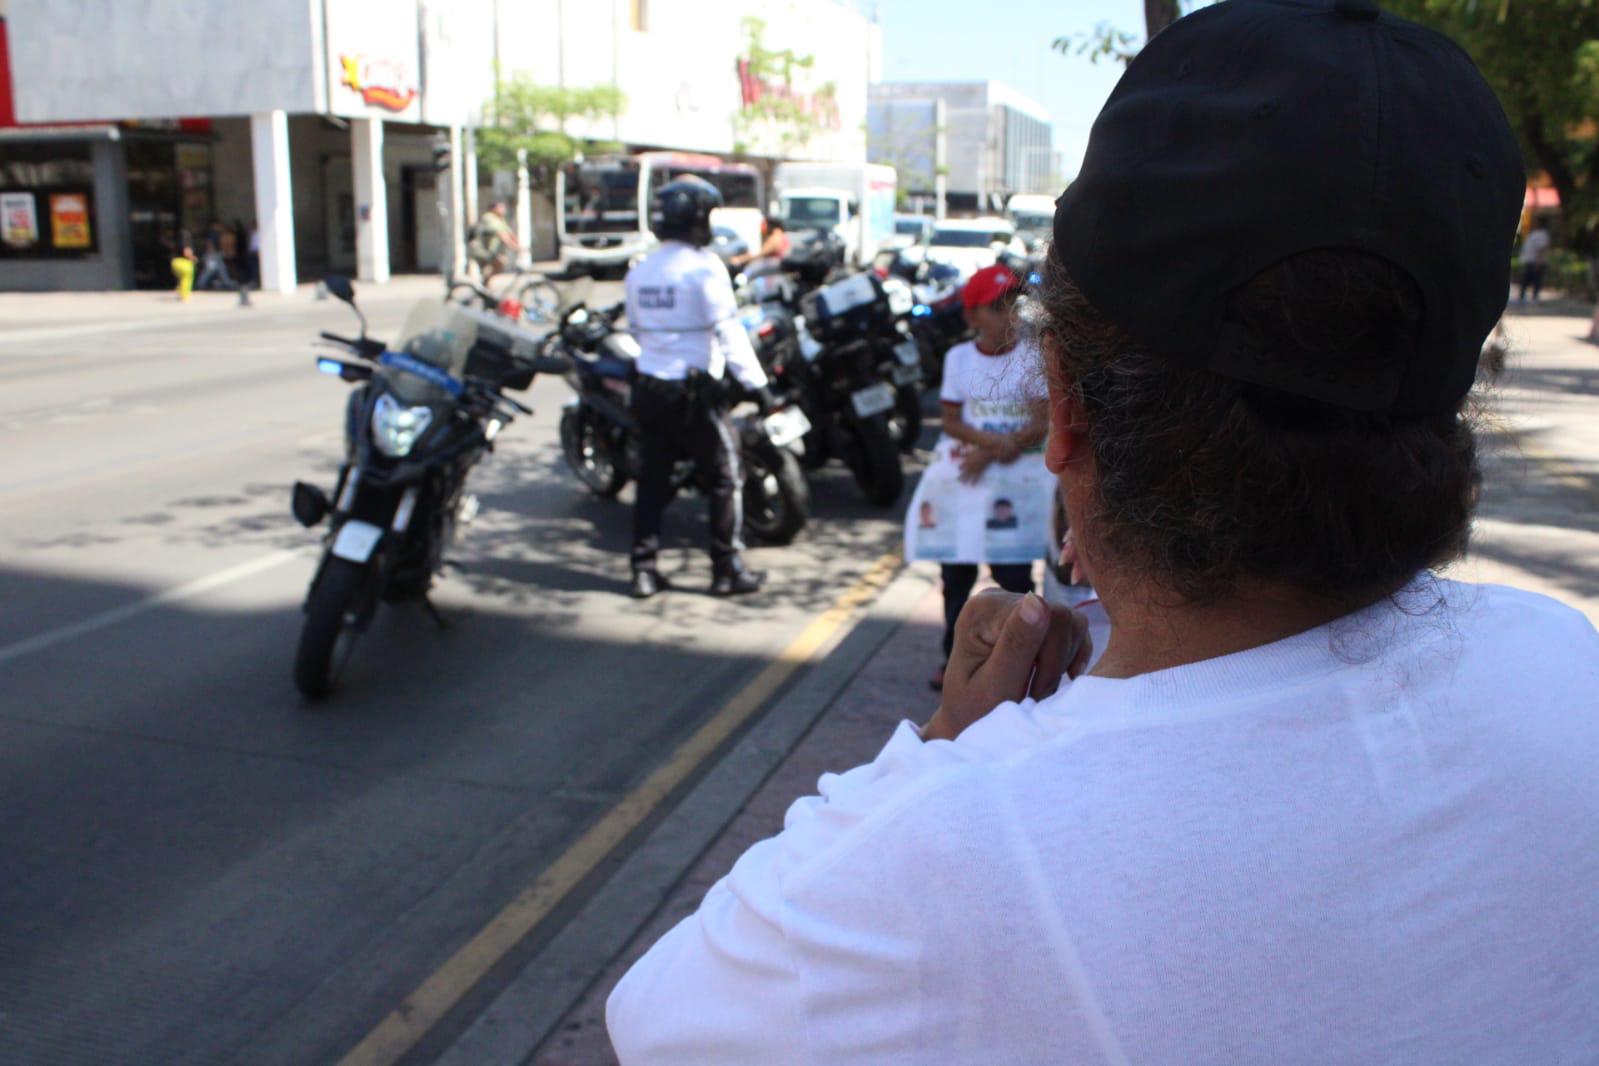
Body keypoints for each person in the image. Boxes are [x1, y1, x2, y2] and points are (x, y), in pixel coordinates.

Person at [606, 3, 1599, 1062]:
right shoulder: (1562, 662)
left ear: (1066, 411)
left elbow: (658, 1021)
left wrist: (946, 746)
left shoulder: (956, 848)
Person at [625, 176, 776, 599]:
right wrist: (758, 386)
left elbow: (636, 329)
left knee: (652, 481)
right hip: (694, 397)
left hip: (650, 390)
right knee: (726, 477)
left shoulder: (641, 270)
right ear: (694, 221)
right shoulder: (705, 266)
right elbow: (728, 332)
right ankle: (726, 569)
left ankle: (643, 570)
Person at [928, 262, 1048, 690]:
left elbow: (1041, 420)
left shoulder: (1032, 356)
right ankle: (952, 661)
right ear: (973, 316)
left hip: (1016, 490)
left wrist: (995, 450)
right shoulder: (958, 358)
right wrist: (987, 446)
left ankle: (1028, 658)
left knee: (1014, 576)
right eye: (997, 307)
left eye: (1013, 303)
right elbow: (950, 419)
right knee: (955, 576)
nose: (1010, 314)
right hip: (967, 485)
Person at [468, 200, 522, 281]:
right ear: (493, 209)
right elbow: (501, 235)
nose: (503, 210)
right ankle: (485, 282)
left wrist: (518, 244)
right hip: (480, 250)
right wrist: (515, 247)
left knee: (498, 264)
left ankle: (485, 284)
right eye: (501, 207)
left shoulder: (500, 219)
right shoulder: (488, 217)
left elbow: (509, 233)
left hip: (490, 251)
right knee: (500, 262)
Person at [1517, 216, 1552, 303]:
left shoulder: (1543, 234)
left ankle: (1534, 296)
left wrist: (1538, 261)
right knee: (1526, 279)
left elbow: (1541, 249)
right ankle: (1523, 295)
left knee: (1535, 279)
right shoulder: (1534, 233)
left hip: (1536, 261)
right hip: (1530, 260)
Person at [195, 221, 235, 290]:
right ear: (214, 225)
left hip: (215, 255)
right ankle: (200, 284)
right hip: (212, 256)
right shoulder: (213, 234)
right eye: (218, 225)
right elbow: (209, 244)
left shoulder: (216, 233)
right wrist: (212, 253)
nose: (219, 227)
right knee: (210, 270)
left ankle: (228, 283)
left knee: (221, 269)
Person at [170, 230, 197, 302]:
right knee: (187, 277)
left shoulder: (177, 242)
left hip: (174, 262)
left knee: (181, 278)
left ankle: (179, 290)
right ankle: (184, 295)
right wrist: (193, 258)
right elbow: (187, 252)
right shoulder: (187, 241)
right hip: (183, 263)